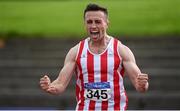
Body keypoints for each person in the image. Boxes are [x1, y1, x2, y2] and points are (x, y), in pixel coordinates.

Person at [39, 3, 149, 110]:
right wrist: (49, 87)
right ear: (85, 24)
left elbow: (139, 86)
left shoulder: (121, 50)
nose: (93, 26)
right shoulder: (76, 51)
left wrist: (143, 85)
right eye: (89, 22)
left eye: (98, 22)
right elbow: (60, 85)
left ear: (106, 23)